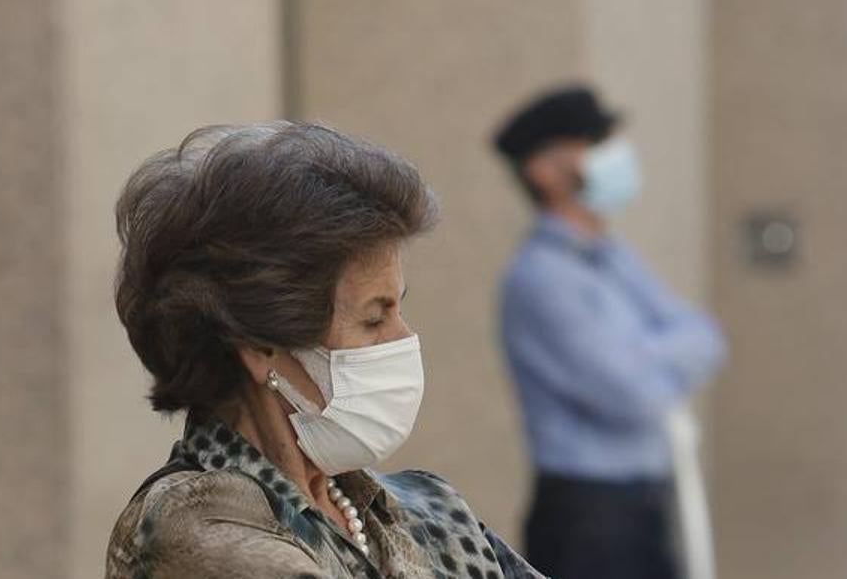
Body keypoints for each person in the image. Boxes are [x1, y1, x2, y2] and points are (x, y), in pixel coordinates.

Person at [105, 122, 545, 579]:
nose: (403, 339)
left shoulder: (429, 510)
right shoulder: (195, 525)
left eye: (399, 310)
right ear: (261, 345)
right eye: (374, 319)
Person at [492, 85, 726, 579]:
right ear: (543, 170)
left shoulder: (610, 256)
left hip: (645, 505)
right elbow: (630, 395)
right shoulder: (542, 277)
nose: (613, 154)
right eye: (593, 141)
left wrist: (644, 356)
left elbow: (706, 335)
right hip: (588, 518)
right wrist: (659, 360)